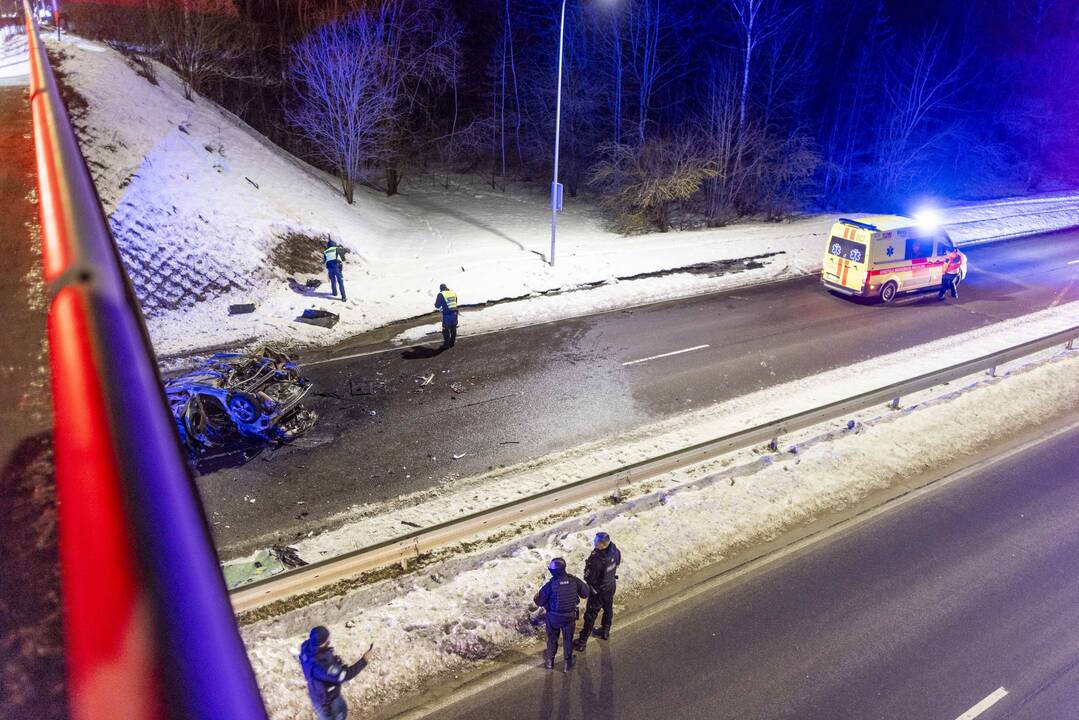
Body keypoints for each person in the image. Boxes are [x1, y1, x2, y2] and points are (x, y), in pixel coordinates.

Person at [299, 626, 374, 720]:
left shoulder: (307, 647)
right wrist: (364, 660)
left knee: (342, 711)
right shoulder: (321, 665)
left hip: (322, 692)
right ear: (324, 642)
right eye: (328, 638)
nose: (329, 639)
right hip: (327, 701)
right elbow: (344, 675)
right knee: (337, 715)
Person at [533, 557, 589, 671]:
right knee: (568, 640)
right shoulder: (574, 580)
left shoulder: (550, 585)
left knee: (552, 639)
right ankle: (567, 664)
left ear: (553, 571)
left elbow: (538, 601)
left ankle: (550, 662)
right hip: (569, 617)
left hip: (553, 618)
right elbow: (585, 593)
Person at [574, 532, 621, 651]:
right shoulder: (615, 551)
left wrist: (587, 568)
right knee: (608, 608)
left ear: (601, 544)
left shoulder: (597, 560)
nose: (594, 543)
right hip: (611, 585)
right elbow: (618, 563)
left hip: (598, 591)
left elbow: (588, 577)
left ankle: (582, 641)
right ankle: (605, 631)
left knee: (590, 615)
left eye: (596, 542)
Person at [435, 283, 459, 349]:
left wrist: (442, 305)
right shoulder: (453, 293)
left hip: (447, 315)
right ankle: (452, 343)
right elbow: (455, 302)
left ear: (441, 289)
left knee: (445, 329)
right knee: (453, 328)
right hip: (454, 313)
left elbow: (437, 305)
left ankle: (446, 345)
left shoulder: (441, 294)